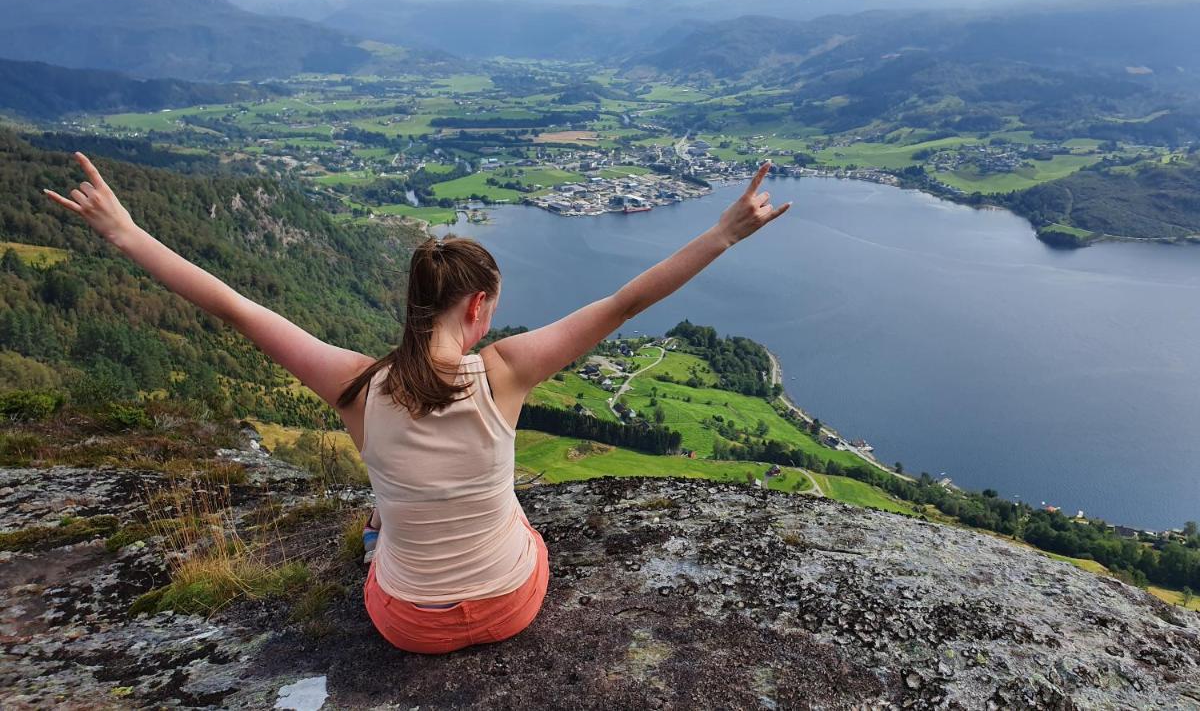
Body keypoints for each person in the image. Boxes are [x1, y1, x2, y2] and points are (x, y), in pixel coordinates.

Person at [45, 152, 790, 653]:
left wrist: (128, 233)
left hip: (405, 626)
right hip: (511, 604)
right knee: (517, 516)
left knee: (385, 524)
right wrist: (724, 231)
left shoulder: (356, 386)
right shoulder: (505, 373)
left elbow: (236, 308)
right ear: (479, 307)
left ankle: (382, 536)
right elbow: (628, 301)